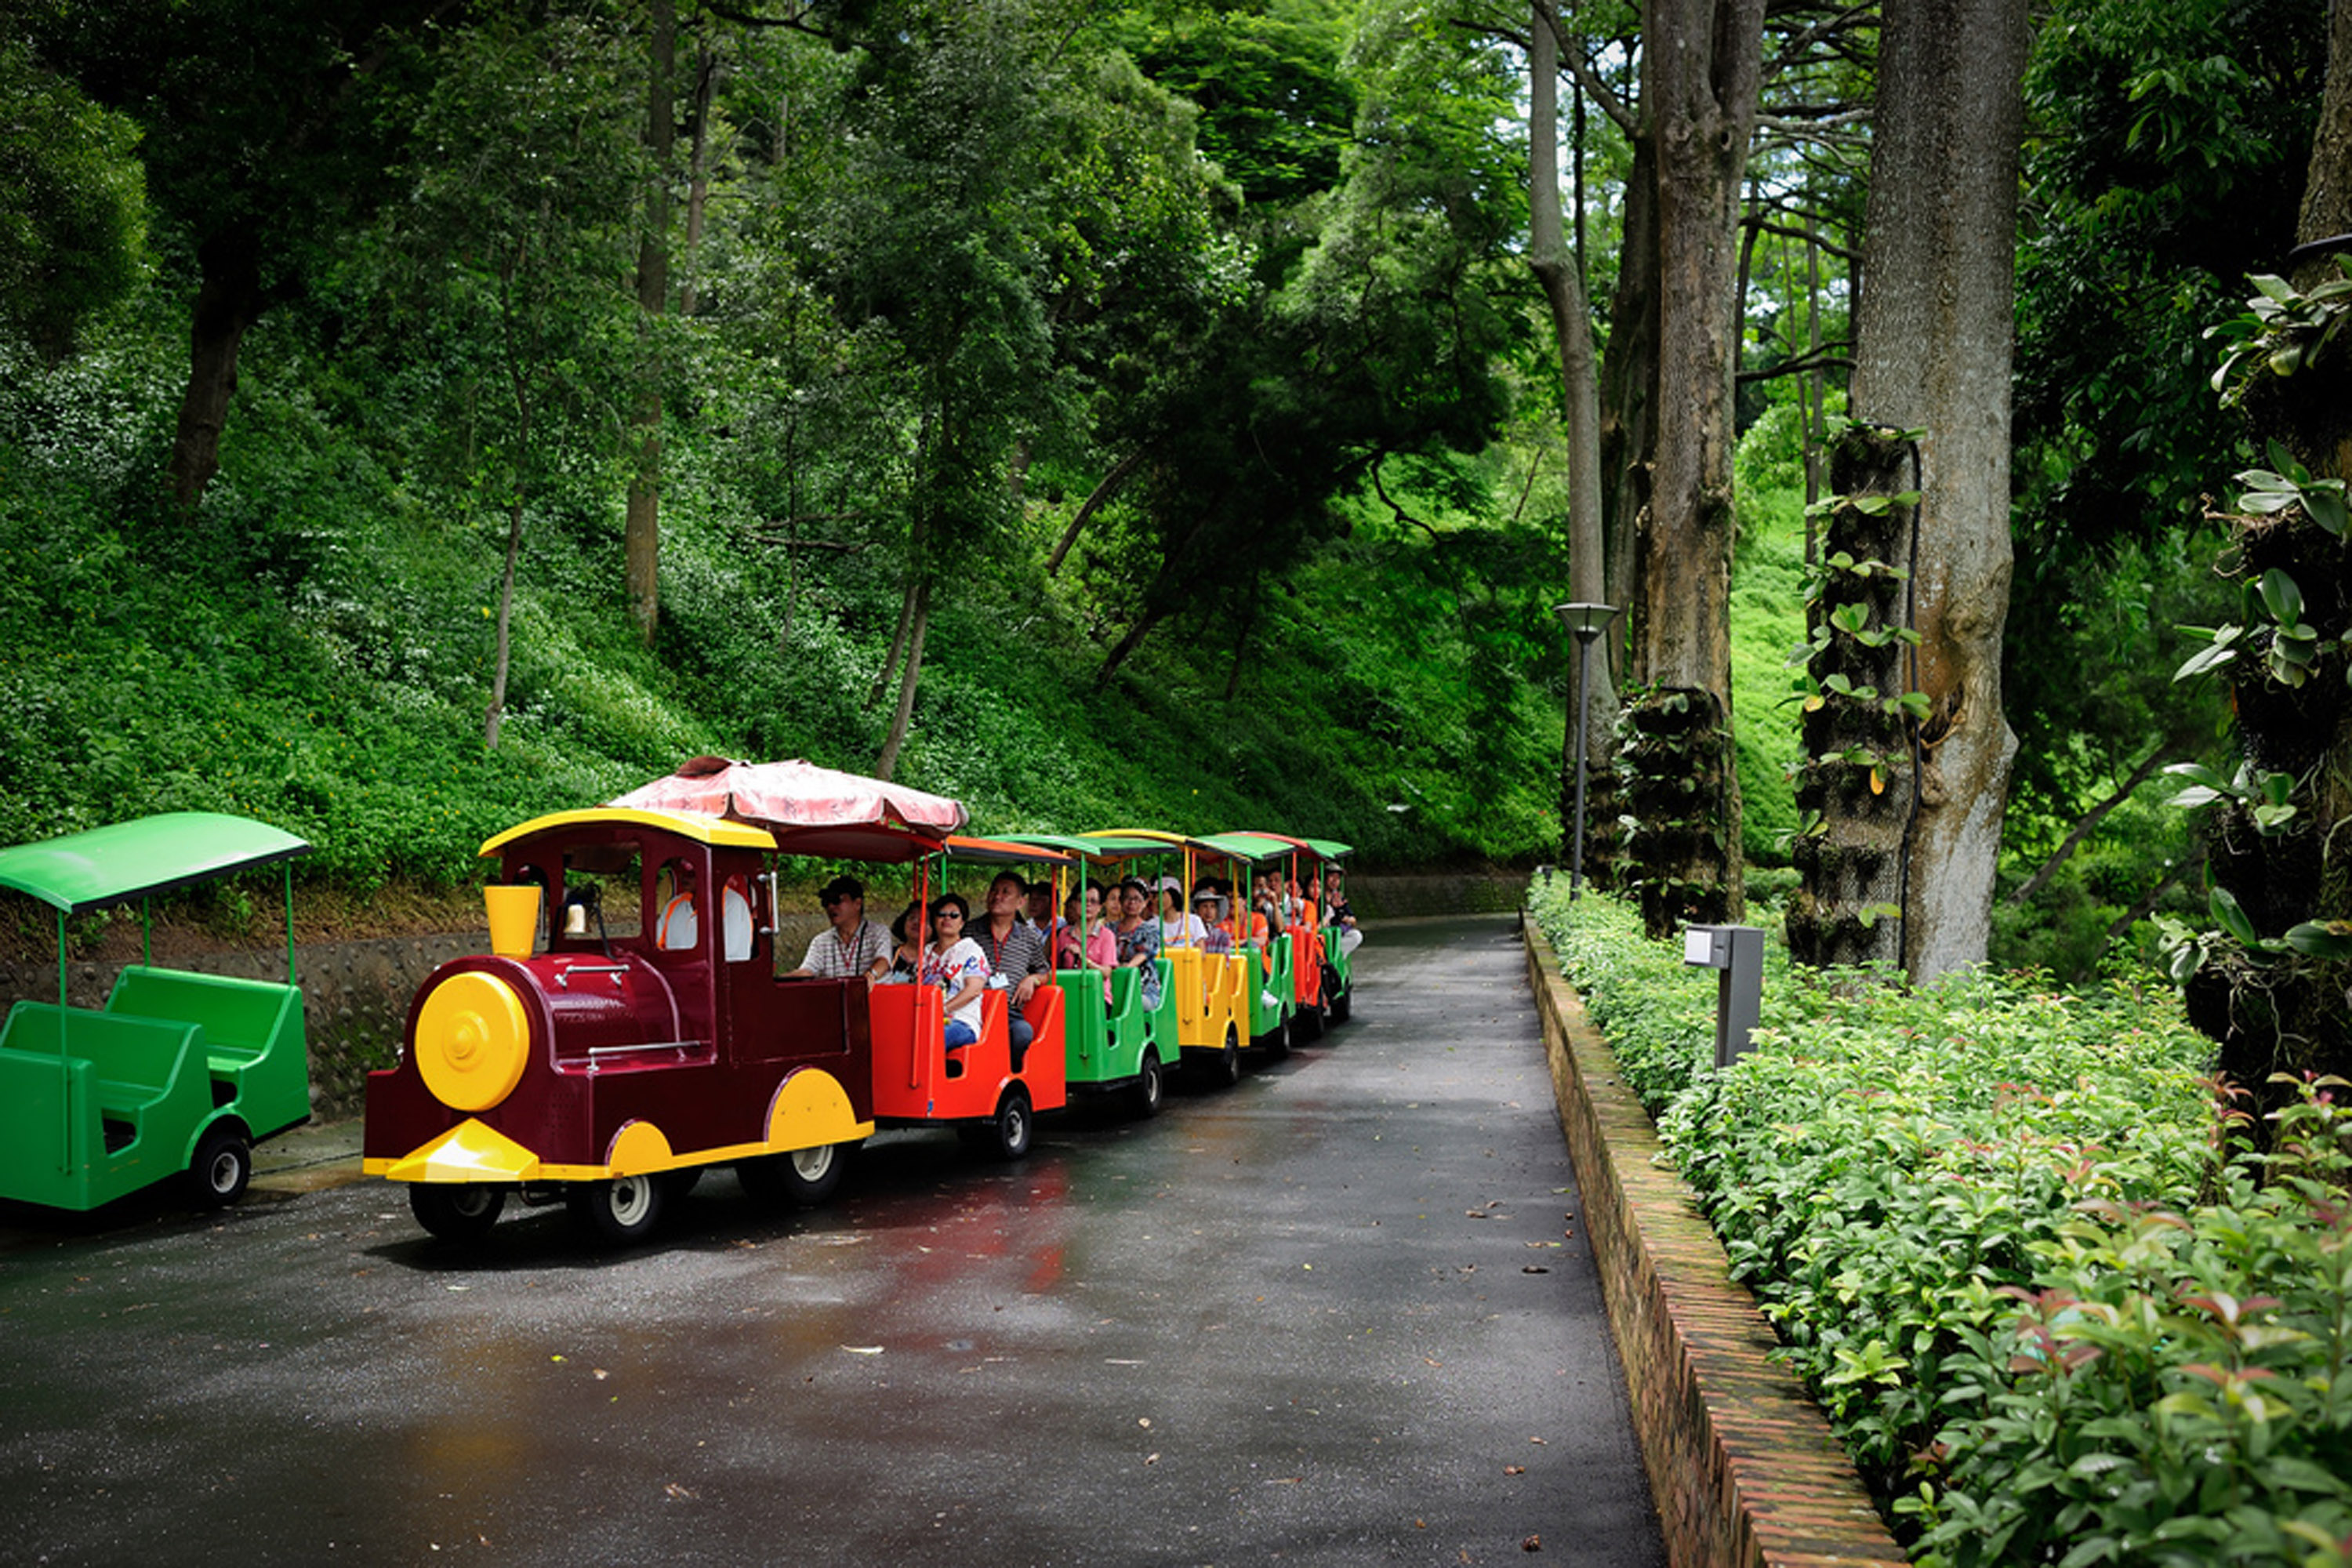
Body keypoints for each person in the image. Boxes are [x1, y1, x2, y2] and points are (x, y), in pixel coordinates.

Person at [975, 869, 1051, 1061]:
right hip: (974, 1006)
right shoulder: (969, 930)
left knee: (1023, 1033)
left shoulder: (1028, 936)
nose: (997, 897)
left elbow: (1045, 971)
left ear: (1020, 902)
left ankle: (1010, 1078)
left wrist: (1032, 979)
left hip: (1008, 1011)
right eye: (994, 891)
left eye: (1005, 892)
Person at [920, 893, 991, 1073]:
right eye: (941, 914)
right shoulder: (927, 952)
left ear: (962, 922)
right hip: (926, 1018)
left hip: (960, 1020)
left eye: (954, 915)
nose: (947, 919)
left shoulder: (971, 950)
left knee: (935, 1036)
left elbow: (974, 989)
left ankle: (929, 1089)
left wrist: (942, 1010)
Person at [786, 875, 892, 982]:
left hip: (875, 997)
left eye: (836, 900)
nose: (831, 907)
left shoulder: (879, 932)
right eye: (826, 902)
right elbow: (807, 971)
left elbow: (883, 962)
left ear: (858, 904)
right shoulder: (820, 942)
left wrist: (870, 976)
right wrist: (776, 981)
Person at [1113, 877, 1163, 1012]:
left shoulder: (1150, 930)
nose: (1132, 903)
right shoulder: (1109, 928)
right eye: (1127, 898)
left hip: (1143, 987)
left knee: (1132, 1002)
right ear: (1121, 901)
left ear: (1145, 903)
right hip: (1113, 983)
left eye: (1137, 899)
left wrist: (1125, 968)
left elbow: (1143, 955)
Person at [1323, 870, 1363, 958]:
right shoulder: (1319, 896)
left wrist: (1342, 914)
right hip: (1324, 934)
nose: (1335, 880)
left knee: (1356, 936)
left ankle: (1338, 958)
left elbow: (1353, 920)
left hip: (1337, 934)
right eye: (1331, 876)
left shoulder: (1339, 897)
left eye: (1337, 878)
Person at [1160, 877, 1206, 949]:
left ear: (1174, 895)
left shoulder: (1194, 921)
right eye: (1155, 895)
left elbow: (1201, 952)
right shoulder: (1151, 925)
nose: (1158, 899)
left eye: (1162, 894)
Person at [1194, 887, 1234, 956]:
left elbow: (1224, 962)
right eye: (1205, 906)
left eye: (1212, 907)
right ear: (1196, 910)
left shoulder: (1222, 936)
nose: (1209, 911)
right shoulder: (1188, 934)